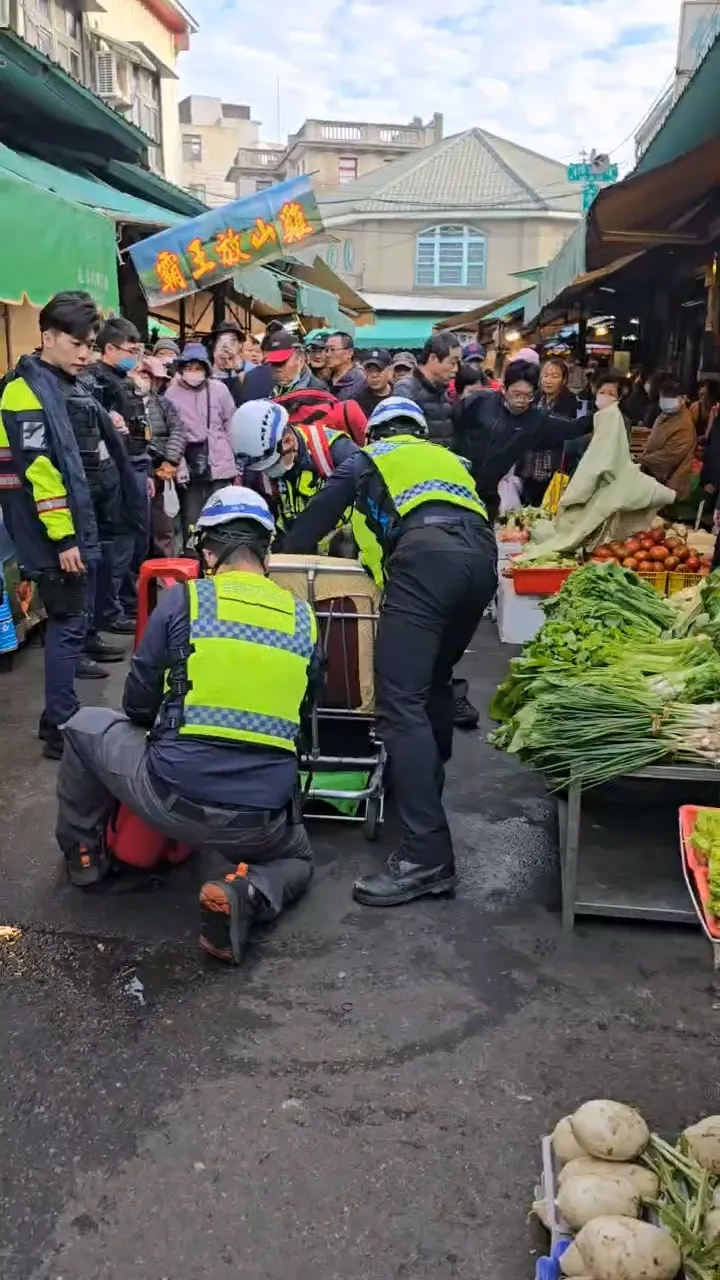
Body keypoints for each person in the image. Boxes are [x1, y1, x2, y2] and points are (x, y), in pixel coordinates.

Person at [55, 487, 320, 964]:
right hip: (261, 820)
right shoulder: (304, 618)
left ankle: (85, 858)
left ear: (209, 550)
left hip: (172, 795)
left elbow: (137, 703)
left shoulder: (186, 601)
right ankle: (248, 894)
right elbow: (303, 713)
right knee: (298, 859)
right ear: (266, 549)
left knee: (84, 726)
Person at [282, 396, 497, 907]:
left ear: (375, 434)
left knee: (398, 703)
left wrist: (277, 559)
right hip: (481, 559)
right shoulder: (449, 461)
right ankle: (423, 787)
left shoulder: (367, 459)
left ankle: (427, 858)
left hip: (426, 560)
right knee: (435, 680)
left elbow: (312, 525)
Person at [0, 291, 144, 758]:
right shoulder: (25, 390)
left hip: (73, 526)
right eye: (76, 343)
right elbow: (39, 472)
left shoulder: (60, 382)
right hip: (51, 534)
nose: (85, 353)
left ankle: (56, 719)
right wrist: (63, 536)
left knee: (72, 621)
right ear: (48, 337)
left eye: (90, 345)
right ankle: (61, 725)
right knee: (66, 625)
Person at [454, 359, 593, 523]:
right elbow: (452, 428)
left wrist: (607, 411)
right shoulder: (478, 402)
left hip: (488, 497)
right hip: (457, 485)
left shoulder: (536, 421)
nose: (521, 400)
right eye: (516, 394)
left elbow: (573, 428)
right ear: (504, 389)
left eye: (528, 396)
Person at [91, 316, 153, 627]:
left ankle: (126, 604)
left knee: (134, 541)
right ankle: (110, 611)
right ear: (110, 348)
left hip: (135, 465)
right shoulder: (98, 382)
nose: (135, 356)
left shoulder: (122, 379)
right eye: (130, 349)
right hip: (115, 472)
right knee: (118, 544)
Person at [230, 399, 358, 533]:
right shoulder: (258, 461)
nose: (269, 472)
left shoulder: (336, 450)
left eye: (272, 465)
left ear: (288, 441)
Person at [164, 342, 237, 544]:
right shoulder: (171, 395)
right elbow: (171, 433)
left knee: (222, 516)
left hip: (221, 465)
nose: (193, 373)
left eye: (198, 368)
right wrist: (179, 468)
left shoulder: (219, 390)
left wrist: (236, 461)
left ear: (206, 368)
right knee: (193, 521)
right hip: (189, 468)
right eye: (188, 368)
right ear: (181, 369)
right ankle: (195, 559)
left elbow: (231, 424)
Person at [130, 356, 186, 558]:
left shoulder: (163, 404)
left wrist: (170, 460)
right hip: (135, 472)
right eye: (140, 373)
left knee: (164, 530)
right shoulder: (123, 403)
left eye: (148, 374)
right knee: (138, 530)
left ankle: (167, 579)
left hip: (162, 473)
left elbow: (178, 431)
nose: (144, 378)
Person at [520, 358, 578, 505]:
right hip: (529, 464)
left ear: (563, 380)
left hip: (554, 465)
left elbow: (559, 429)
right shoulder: (534, 397)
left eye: (555, 376)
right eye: (546, 375)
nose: (549, 380)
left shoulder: (568, 400)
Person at [393, 333, 461, 445]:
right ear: (433, 358)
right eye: (452, 363)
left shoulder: (444, 392)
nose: (456, 369)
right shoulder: (406, 390)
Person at [640, 375, 696, 498]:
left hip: (669, 481)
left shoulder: (684, 423)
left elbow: (670, 455)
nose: (666, 401)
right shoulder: (665, 415)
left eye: (671, 397)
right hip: (653, 474)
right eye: (664, 397)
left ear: (682, 399)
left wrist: (642, 461)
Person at [325, 332, 367, 401]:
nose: (327, 354)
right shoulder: (325, 376)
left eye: (332, 350)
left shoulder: (360, 380)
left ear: (349, 353)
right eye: (326, 350)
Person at [211, 321, 245, 407]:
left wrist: (238, 370)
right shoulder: (202, 372)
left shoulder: (248, 370)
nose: (226, 347)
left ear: (239, 345)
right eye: (222, 341)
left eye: (232, 341)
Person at [357, 349, 393, 416]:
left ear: (390, 371)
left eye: (379, 370)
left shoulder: (400, 395)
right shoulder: (358, 401)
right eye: (370, 370)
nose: (374, 375)